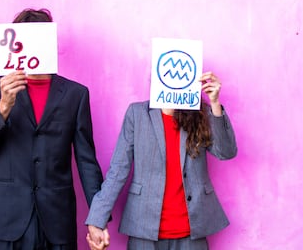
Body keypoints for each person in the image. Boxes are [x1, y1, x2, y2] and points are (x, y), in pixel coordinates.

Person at [0, 8, 109, 249]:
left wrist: (97, 219)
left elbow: (86, 162)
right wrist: (2, 107)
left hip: (57, 222)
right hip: (7, 220)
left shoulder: (75, 94)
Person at [85, 71, 237, 250]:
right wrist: (97, 219)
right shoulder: (137, 114)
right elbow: (118, 170)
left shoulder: (199, 114)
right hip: (145, 231)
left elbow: (226, 152)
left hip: (191, 232)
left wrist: (215, 104)